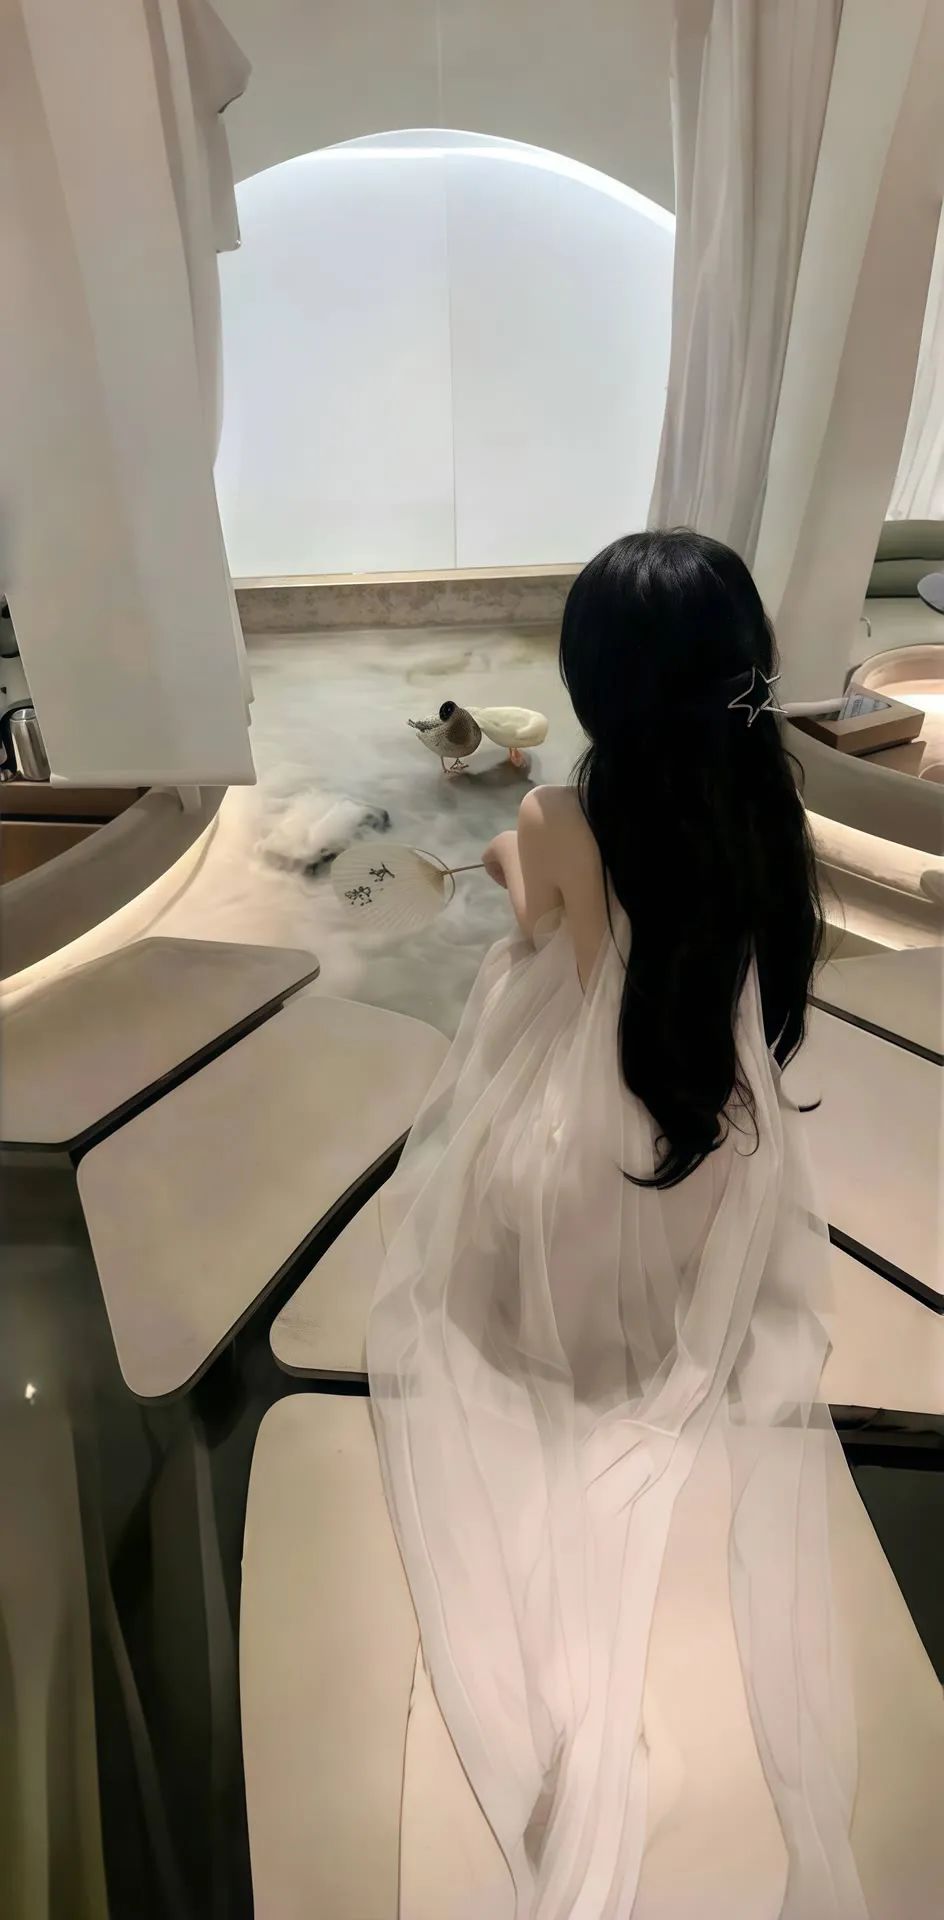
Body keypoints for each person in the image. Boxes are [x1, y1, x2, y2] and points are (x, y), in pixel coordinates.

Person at [368, 531, 869, 1919]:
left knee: (482, 1218)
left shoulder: (560, 818)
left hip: (585, 1152)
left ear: (597, 692)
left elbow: (544, 924)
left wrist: (504, 850)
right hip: (704, 1138)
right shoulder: (764, 811)